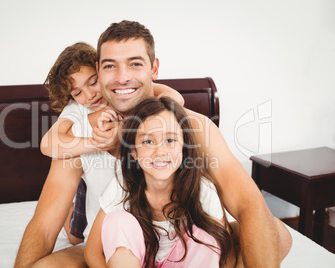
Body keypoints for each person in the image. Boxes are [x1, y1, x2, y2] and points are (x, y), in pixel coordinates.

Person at [15, 20, 292, 268]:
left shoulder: (193, 127)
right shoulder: (77, 137)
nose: (122, 77)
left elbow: (248, 203)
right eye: (111, 66)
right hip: (115, 248)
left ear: (154, 68)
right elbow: (43, 225)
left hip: (185, 243)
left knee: (277, 235)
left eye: (135, 63)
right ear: (99, 71)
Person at [14, 40, 184, 267]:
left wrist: (123, 135)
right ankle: (74, 205)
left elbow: (175, 99)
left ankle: (79, 198)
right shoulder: (79, 113)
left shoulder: (148, 103)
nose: (89, 95)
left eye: (93, 82)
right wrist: (98, 142)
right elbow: (49, 144)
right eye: (77, 92)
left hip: (150, 230)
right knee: (75, 234)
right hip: (101, 219)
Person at [85, 97, 238, 268]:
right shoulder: (123, 185)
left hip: (184, 262)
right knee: (118, 220)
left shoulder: (203, 189)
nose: (160, 152)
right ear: (134, 152)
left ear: (184, 147)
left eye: (170, 140)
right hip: (137, 262)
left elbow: (226, 252)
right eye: (148, 141)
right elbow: (92, 252)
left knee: (207, 234)